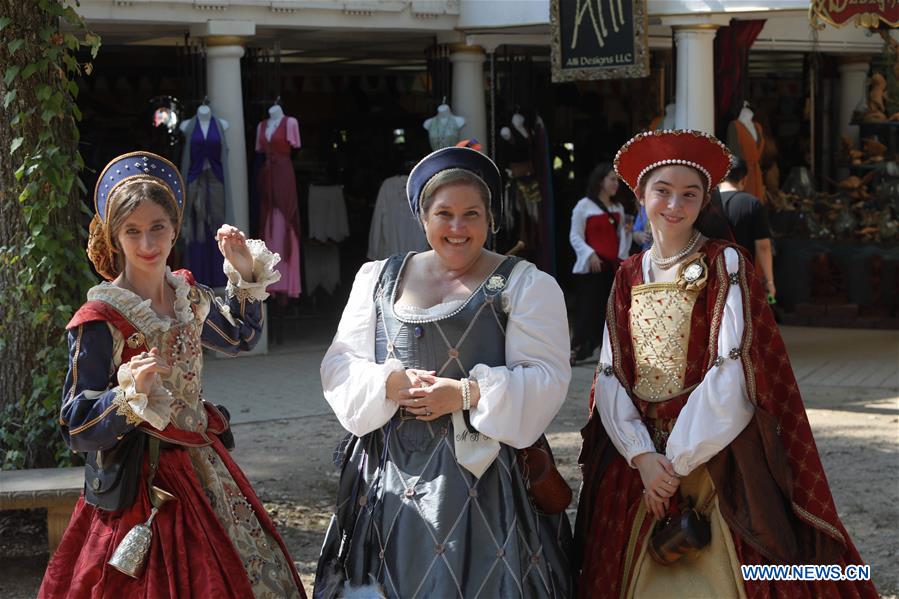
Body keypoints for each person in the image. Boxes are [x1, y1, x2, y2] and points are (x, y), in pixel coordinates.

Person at [574, 130, 877, 598]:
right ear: (640, 195)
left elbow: (731, 370)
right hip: (641, 463)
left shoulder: (725, 263)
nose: (674, 204)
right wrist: (643, 458)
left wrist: (676, 463)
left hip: (712, 451)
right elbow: (611, 372)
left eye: (689, 194)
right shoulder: (627, 274)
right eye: (662, 191)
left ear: (704, 201)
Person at [39, 151, 305, 599]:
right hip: (138, 480)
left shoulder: (188, 296)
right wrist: (126, 397)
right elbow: (75, 426)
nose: (147, 243)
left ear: (175, 228)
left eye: (158, 227)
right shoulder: (101, 317)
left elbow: (239, 337)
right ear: (114, 236)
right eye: (132, 231)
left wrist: (243, 272)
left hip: (203, 467)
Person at [315, 141, 573, 598]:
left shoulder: (524, 285)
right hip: (387, 470)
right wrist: (388, 382)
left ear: (491, 219)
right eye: (444, 214)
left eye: (471, 214)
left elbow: (547, 378)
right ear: (423, 218)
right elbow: (340, 363)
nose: (457, 227)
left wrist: (466, 394)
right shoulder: (377, 279)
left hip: (487, 481)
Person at [568, 163, 631, 366]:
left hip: (612, 267)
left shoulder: (618, 207)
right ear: (600, 181)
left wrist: (622, 259)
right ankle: (576, 349)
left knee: (611, 310)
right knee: (587, 309)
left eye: (617, 180)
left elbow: (622, 236)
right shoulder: (584, 206)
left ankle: (610, 352)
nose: (616, 184)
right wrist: (590, 255)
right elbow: (575, 236)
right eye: (612, 179)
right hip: (593, 268)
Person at [719, 156, 777, 299]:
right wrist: (769, 281)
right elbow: (763, 246)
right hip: (741, 278)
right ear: (744, 179)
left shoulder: (706, 203)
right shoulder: (752, 204)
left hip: (711, 275)